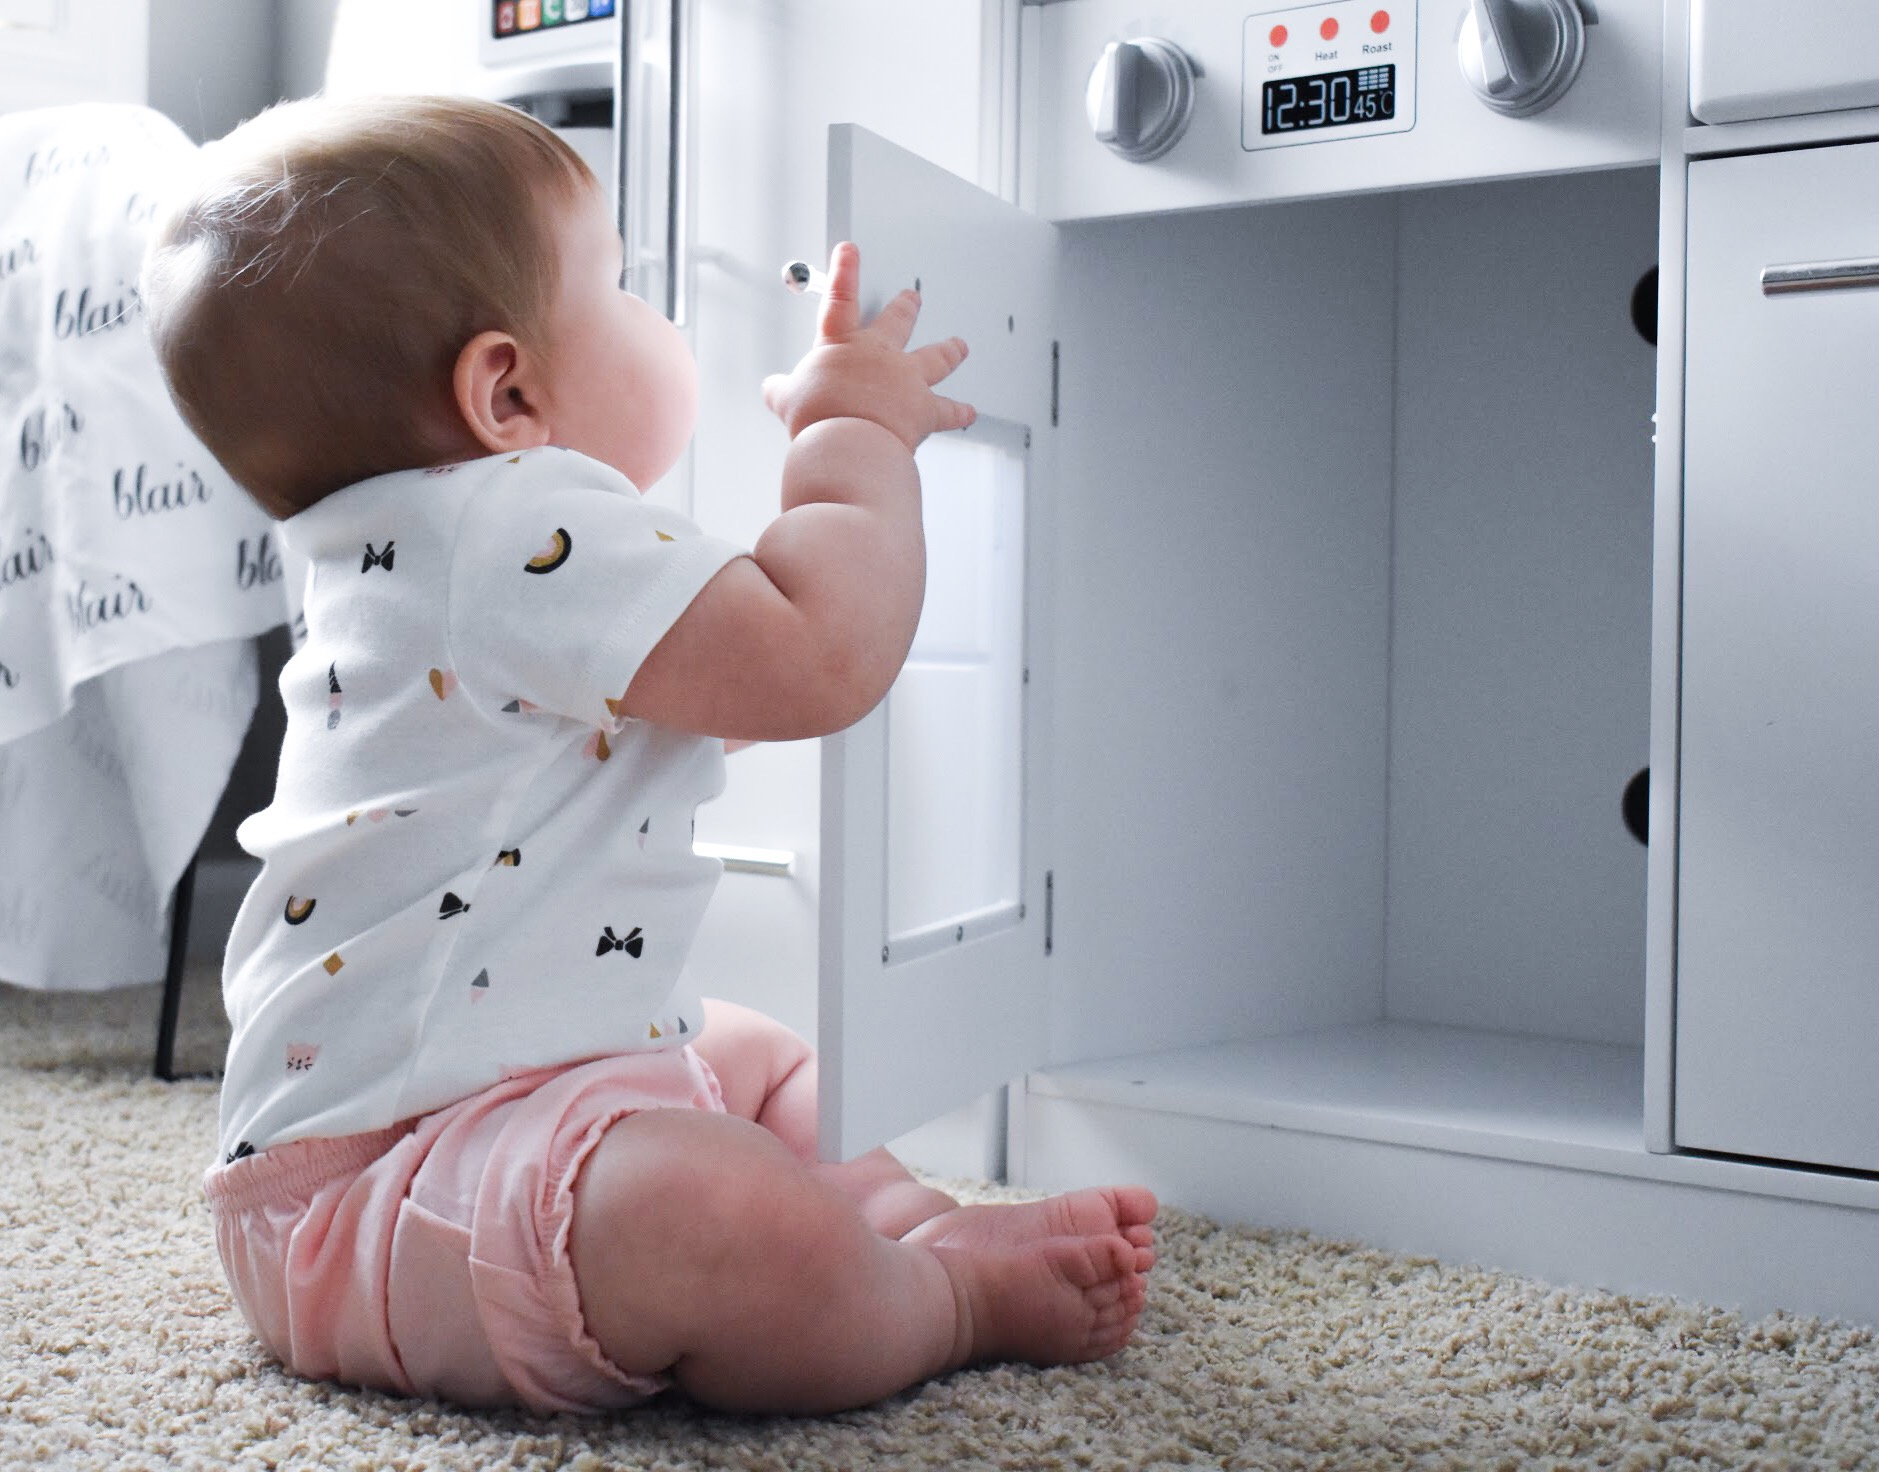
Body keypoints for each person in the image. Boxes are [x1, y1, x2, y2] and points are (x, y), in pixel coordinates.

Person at [142, 94, 1155, 1417]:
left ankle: (902, 1223)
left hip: (428, 1138)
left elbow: (702, 686)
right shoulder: (510, 521)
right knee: (698, 1199)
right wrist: (852, 438)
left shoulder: (410, 547)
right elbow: (815, 658)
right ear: (504, 391)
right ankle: (934, 1297)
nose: (653, 312)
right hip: (401, 1187)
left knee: (756, 1059)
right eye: (619, 285)